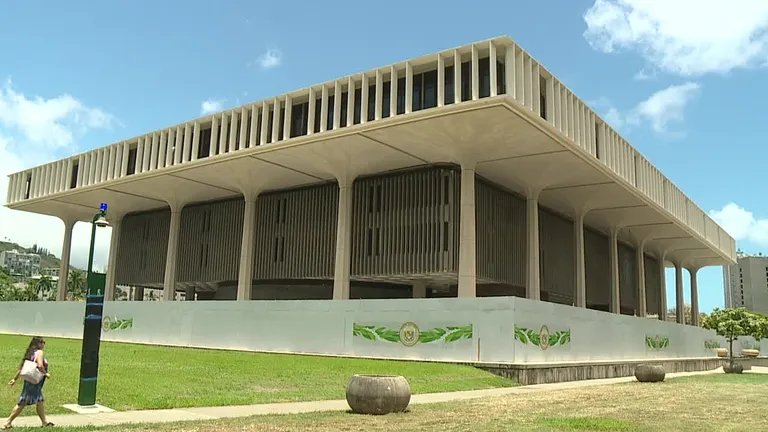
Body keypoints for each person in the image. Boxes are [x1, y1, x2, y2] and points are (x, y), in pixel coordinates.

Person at [3, 336, 54, 429]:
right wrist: (46, 373)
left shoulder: (31, 353)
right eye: (43, 342)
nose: (44, 344)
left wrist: (14, 379)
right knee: (23, 402)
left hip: (30, 381)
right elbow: (40, 365)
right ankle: (8, 422)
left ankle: (44, 422)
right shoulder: (39, 352)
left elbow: (22, 367)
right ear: (38, 344)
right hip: (34, 383)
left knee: (40, 400)